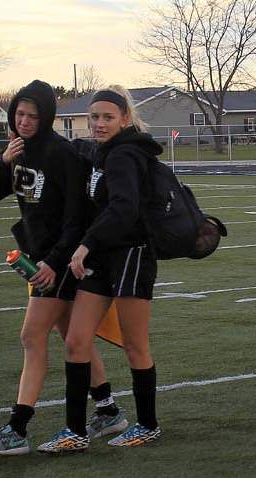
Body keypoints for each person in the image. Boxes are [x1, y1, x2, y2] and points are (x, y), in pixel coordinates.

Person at [0, 80, 123, 456]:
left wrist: (54, 262)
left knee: (31, 335)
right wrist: (3, 160)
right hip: (39, 257)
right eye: (19, 114)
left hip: (60, 260)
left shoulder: (60, 154)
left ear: (46, 118)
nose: (24, 121)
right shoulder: (18, 151)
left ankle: (18, 427)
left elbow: (75, 218)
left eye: (32, 116)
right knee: (72, 336)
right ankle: (107, 409)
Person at [36, 86, 163, 454]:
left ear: (124, 119)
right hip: (104, 260)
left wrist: (86, 244)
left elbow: (124, 210)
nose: (99, 124)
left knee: (135, 345)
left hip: (132, 257)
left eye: (108, 117)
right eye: (94, 117)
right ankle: (74, 431)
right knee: (76, 341)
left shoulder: (125, 155)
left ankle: (148, 424)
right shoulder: (101, 153)